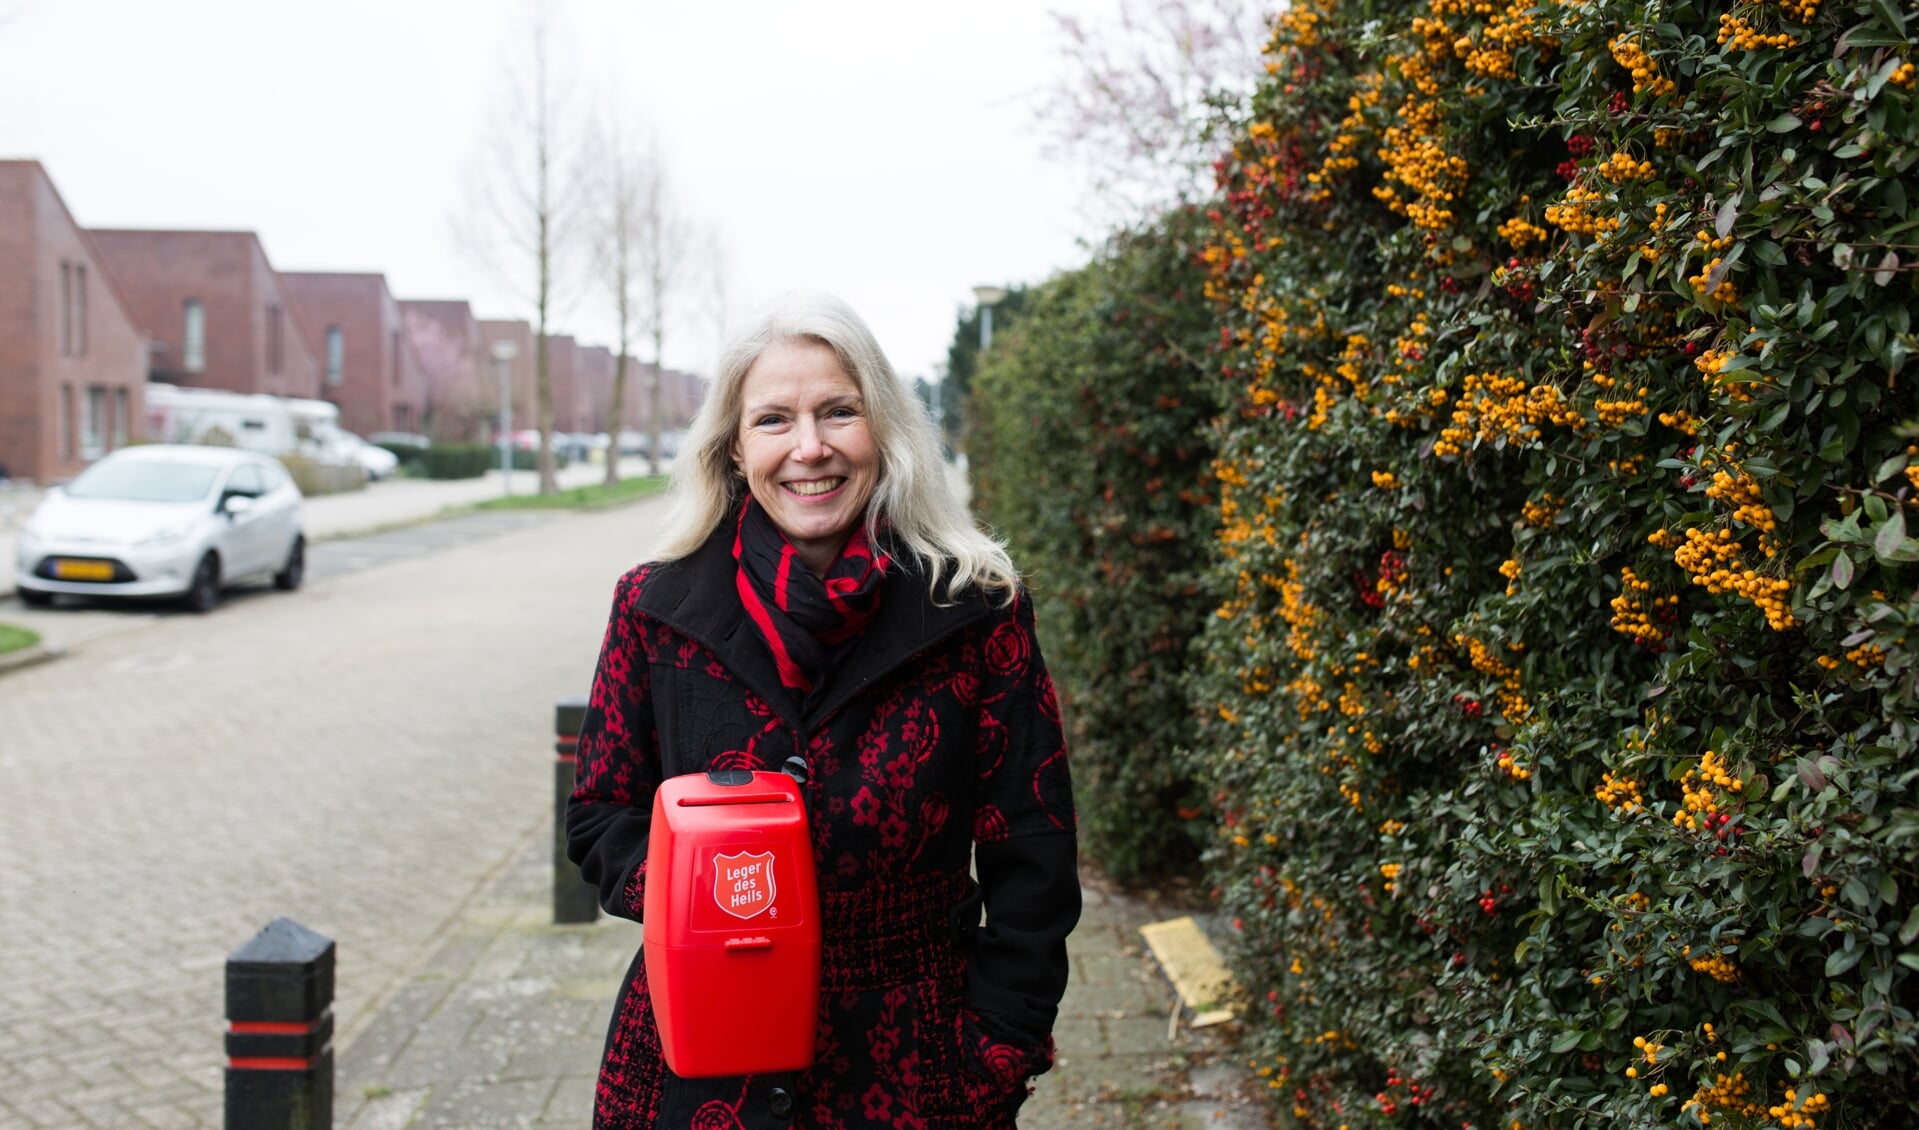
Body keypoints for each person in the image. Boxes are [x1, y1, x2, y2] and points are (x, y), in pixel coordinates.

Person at [568, 292, 1080, 1129]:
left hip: (916, 1060)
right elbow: (598, 815)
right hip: (700, 1056)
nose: (809, 448)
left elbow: (1035, 849)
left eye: (838, 412)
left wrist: (998, 1046)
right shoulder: (652, 606)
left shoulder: (975, 608)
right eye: (773, 420)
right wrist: (707, 899)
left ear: (883, 428)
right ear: (734, 448)